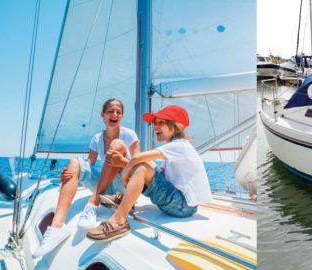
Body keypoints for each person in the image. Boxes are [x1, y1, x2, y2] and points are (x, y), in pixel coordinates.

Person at [86, 105, 213, 241]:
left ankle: (118, 221)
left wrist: (124, 175)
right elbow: (156, 173)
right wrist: (127, 165)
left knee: (141, 166)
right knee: (146, 165)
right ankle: (124, 200)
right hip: (181, 204)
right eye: (154, 123)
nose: (155, 127)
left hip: (183, 206)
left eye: (161, 123)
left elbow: (136, 158)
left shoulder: (180, 146)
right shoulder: (176, 148)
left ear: (177, 126)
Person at [33, 98, 139, 258]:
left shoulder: (129, 135)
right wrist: (72, 173)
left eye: (118, 112)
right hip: (106, 185)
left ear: (122, 116)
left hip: (124, 185)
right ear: (103, 114)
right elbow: (90, 165)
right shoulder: (96, 139)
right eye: (110, 111)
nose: (114, 114)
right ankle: (57, 226)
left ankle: (93, 202)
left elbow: (137, 167)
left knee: (116, 145)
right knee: (75, 162)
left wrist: (121, 161)